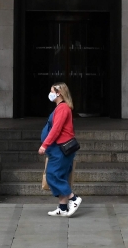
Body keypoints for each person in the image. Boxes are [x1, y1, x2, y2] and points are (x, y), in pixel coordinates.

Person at [38, 82, 83, 217]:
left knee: (53, 175)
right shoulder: (61, 108)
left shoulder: (62, 108)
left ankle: (73, 199)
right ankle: (63, 208)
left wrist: (44, 145)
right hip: (59, 149)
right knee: (61, 176)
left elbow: (56, 129)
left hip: (60, 149)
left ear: (59, 93)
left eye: (52, 91)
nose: (50, 94)